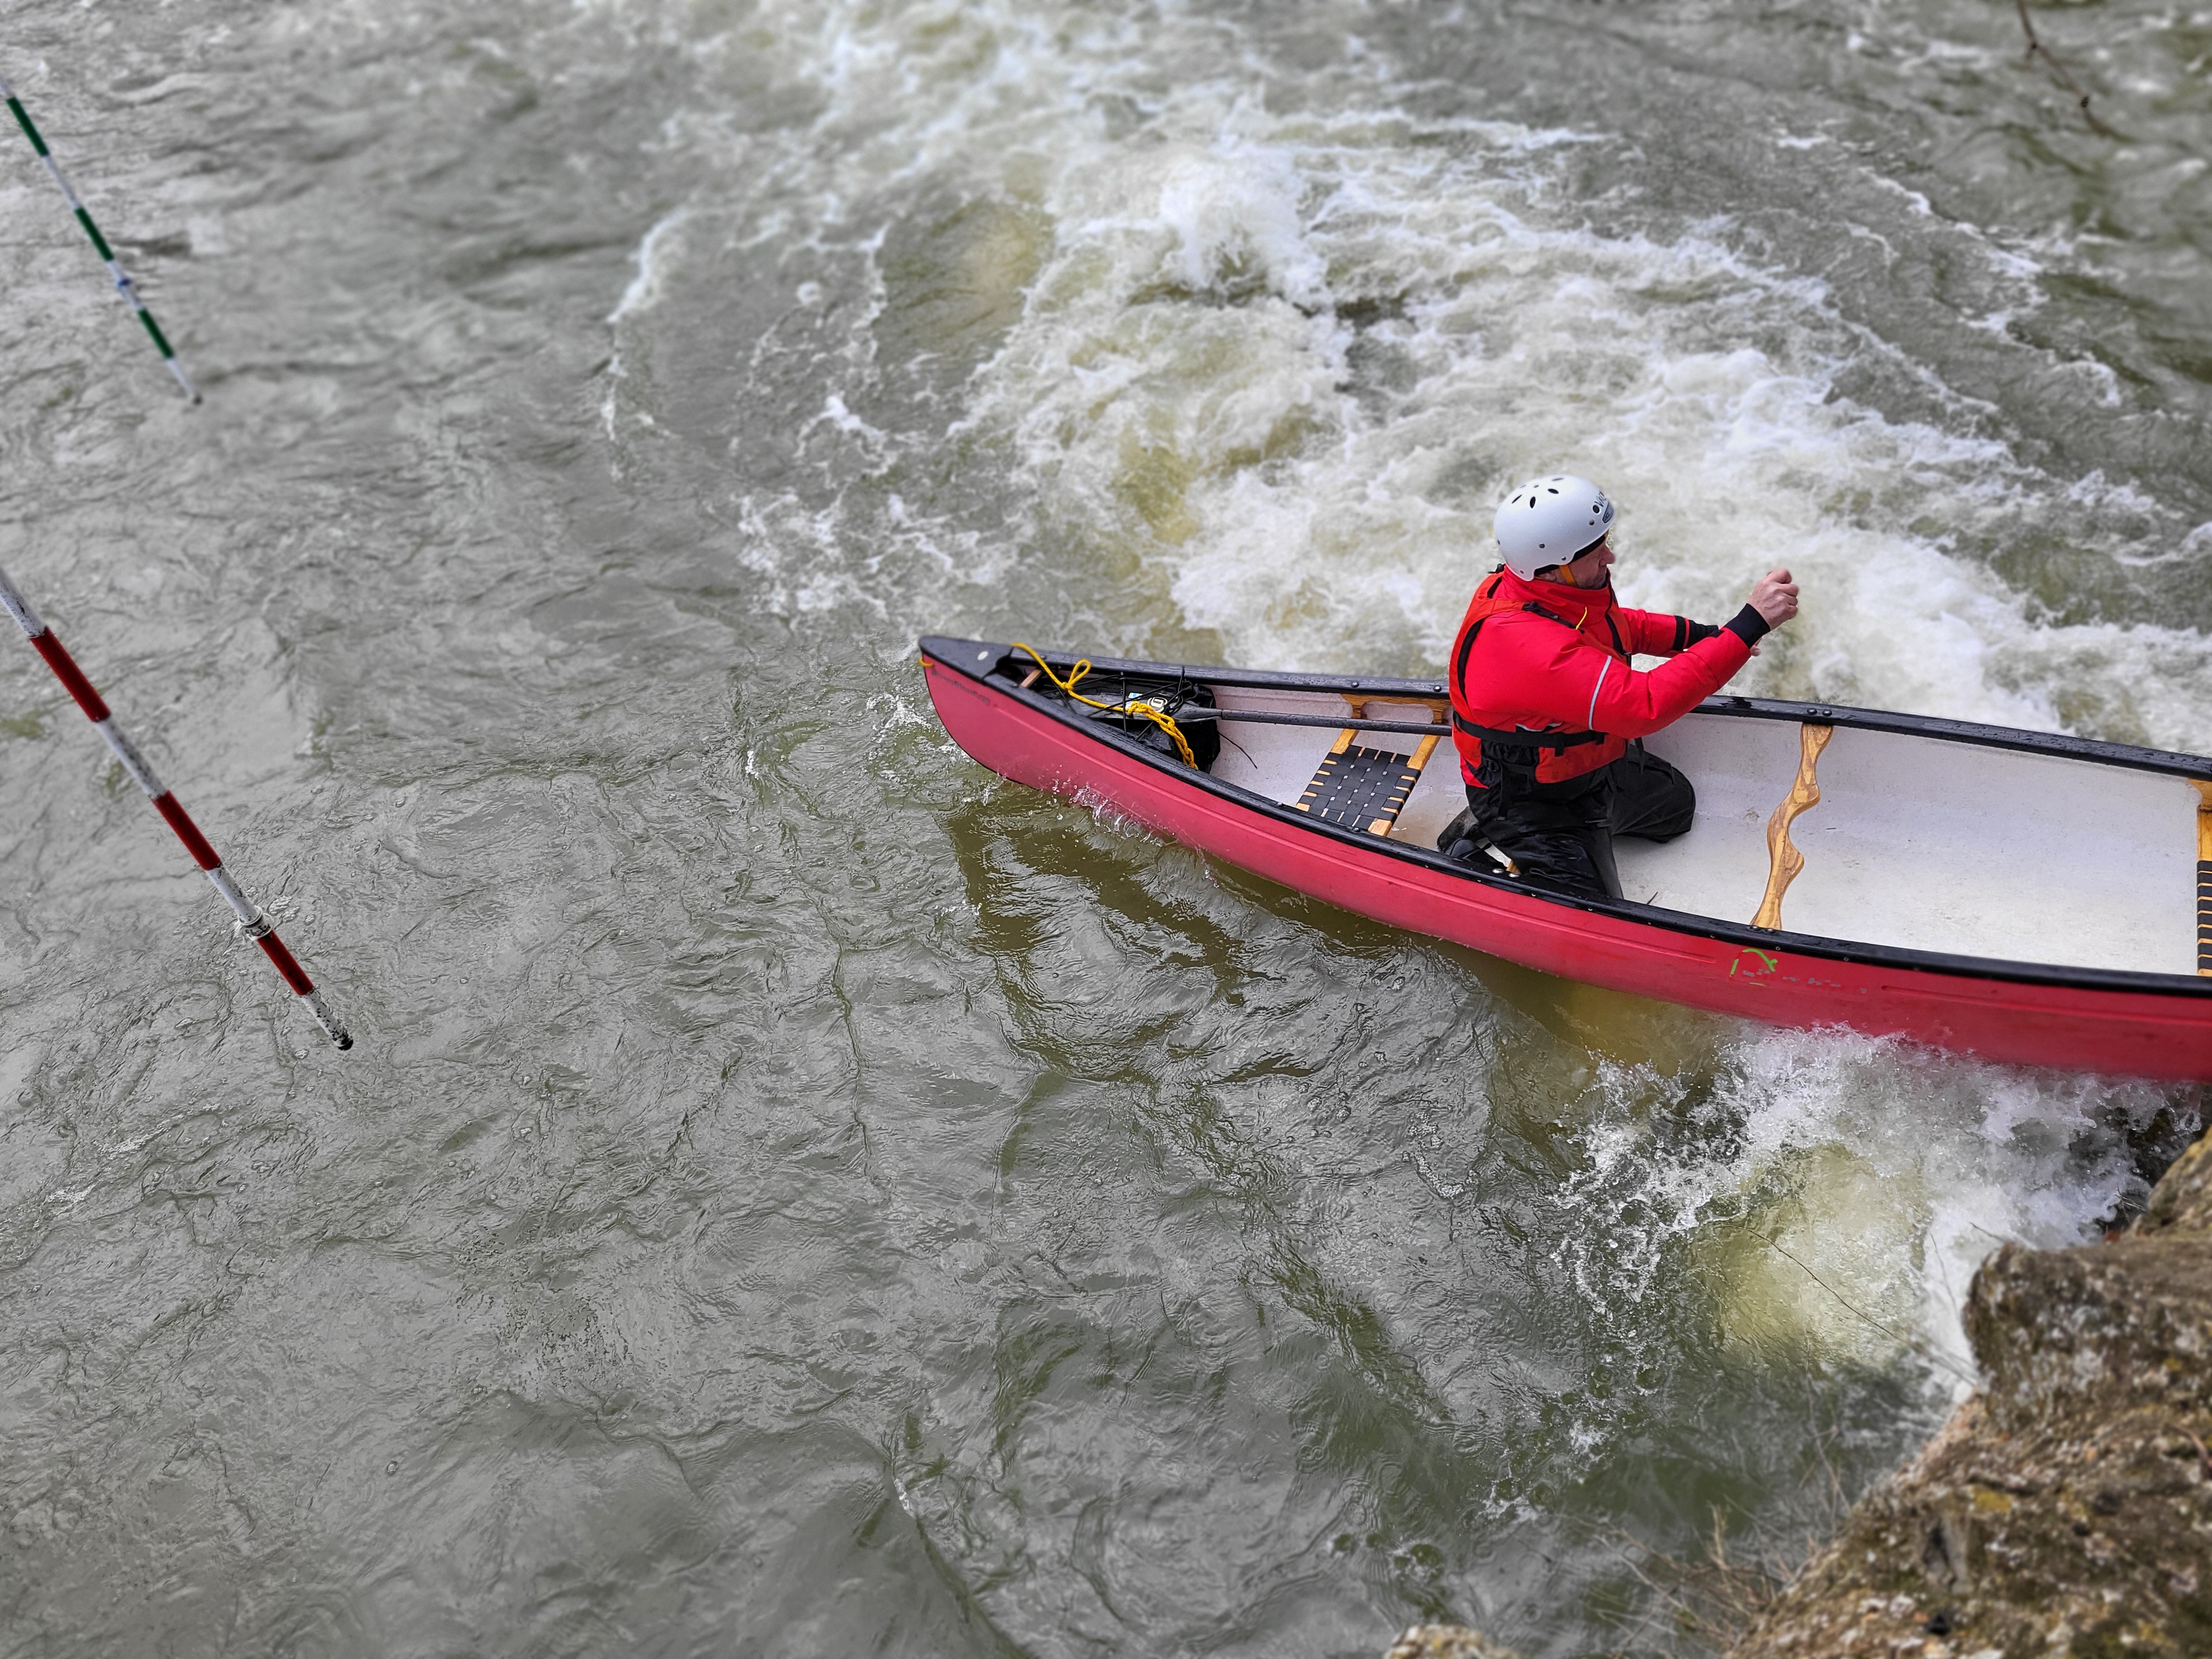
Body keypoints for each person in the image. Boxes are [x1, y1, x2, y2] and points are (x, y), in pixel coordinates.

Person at [1437, 473, 1798, 898]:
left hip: (1586, 773)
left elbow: (1621, 627)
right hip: (1529, 801)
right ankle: (1479, 849)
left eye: (1606, 541)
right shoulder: (1525, 645)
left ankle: (1576, 833)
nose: (1610, 557)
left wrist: (1711, 637)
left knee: (1677, 809)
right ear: (1555, 567)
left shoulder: (1552, 590)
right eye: (1596, 551)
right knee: (1592, 913)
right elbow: (1643, 706)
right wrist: (1749, 623)